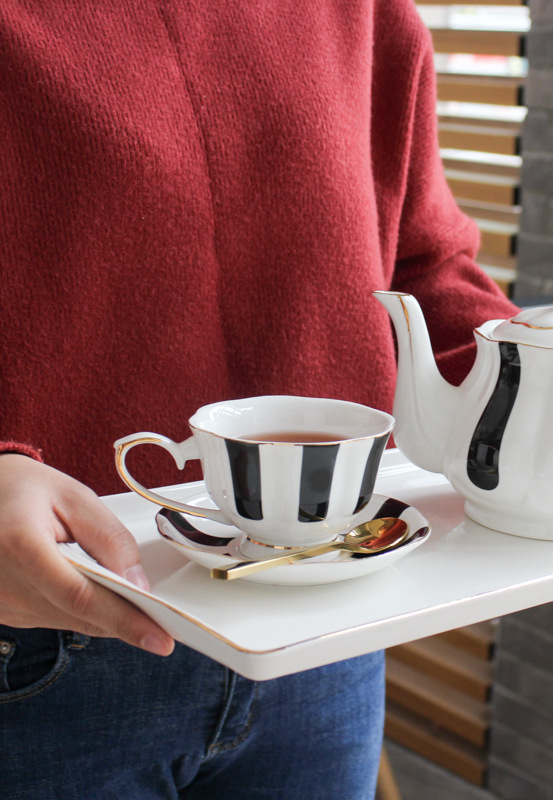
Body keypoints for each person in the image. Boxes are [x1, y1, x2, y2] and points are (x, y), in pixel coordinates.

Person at [0, 1, 519, 798]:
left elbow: (424, 267)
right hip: (47, 633)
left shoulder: (366, 16)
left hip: (329, 623)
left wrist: (538, 377)